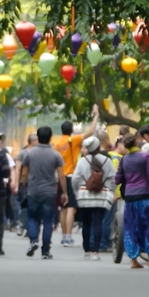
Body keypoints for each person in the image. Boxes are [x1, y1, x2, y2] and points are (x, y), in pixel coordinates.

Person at [115, 134, 149, 269]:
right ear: (137, 143)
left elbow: (117, 179)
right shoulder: (145, 157)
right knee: (148, 226)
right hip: (144, 195)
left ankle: (134, 260)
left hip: (130, 198)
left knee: (131, 227)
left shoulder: (124, 159)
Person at [53, 104, 99, 247]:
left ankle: (63, 236)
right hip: (70, 177)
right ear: (72, 130)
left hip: (59, 177)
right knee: (71, 208)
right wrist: (96, 115)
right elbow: (90, 132)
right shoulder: (73, 140)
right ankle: (68, 237)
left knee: (63, 207)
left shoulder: (57, 143)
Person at [22, 127, 67, 260]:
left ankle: (34, 240)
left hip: (33, 191)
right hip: (49, 192)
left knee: (32, 218)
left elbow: (24, 173)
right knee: (48, 221)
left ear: (38, 136)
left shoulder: (29, 154)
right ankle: (45, 251)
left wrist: (25, 184)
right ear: (50, 137)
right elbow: (61, 175)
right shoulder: (56, 155)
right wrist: (64, 192)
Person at [72, 136, 116, 261]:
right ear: (98, 147)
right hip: (101, 196)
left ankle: (86, 251)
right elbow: (113, 179)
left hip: (84, 196)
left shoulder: (82, 161)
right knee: (98, 223)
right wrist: (110, 191)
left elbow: (75, 179)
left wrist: (77, 190)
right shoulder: (107, 161)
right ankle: (96, 252)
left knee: (86, 223)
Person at [100, 137, 128, 251]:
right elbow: (115, 178)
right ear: (120, 145)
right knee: (109, 219)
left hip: (106, 192)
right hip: (114, 194)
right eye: (125, 146)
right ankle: (104, 243)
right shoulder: (116, 158)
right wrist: (115, 193)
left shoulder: (109, 155)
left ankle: (102, 243)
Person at [15, 134, 38, 236]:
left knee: (32, 206)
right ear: (32, 142)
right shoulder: (23, 153)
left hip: (36, 183)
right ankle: (22, 225)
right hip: (25, 183)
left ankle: (29, 228)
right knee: (25, 205)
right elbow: (18, 169)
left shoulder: (38, 153)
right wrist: (16, 183)